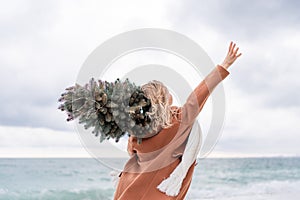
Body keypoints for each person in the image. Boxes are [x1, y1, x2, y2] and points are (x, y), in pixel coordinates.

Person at [113, 42, 242, 199]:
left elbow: (130, 152)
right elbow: (196, 98)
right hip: (158, 192)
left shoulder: (137, 131)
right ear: (165, 99)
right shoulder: (178, 122)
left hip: (129, 187)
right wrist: (224, 65)